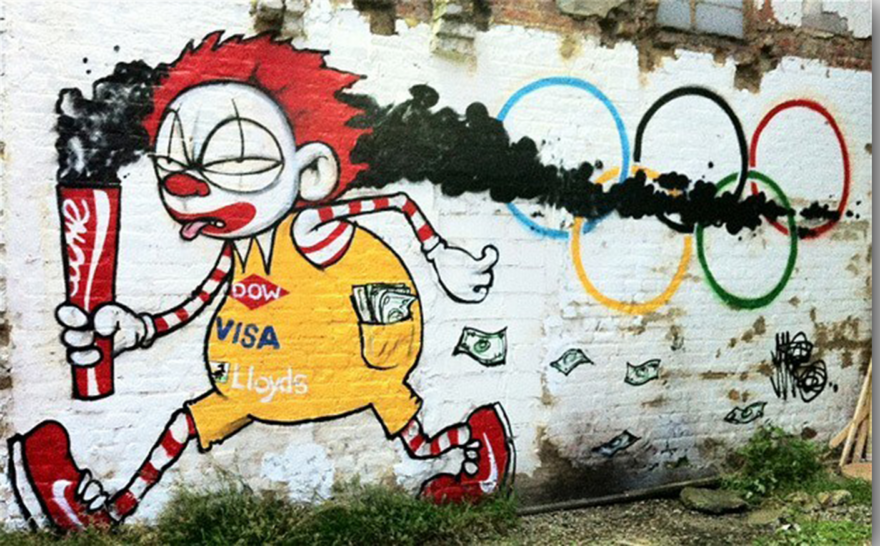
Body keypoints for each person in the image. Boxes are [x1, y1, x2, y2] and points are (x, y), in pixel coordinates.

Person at [9, 33, 511, 532]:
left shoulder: (307, 227)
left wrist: (438, 252)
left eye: (230, 158)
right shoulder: (240, 248)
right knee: (184, 425)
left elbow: (396, 202)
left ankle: (480, 440)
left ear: (310, 172)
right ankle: (110, 513)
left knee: (419, 444)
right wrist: (140, 329)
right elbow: (198, 301)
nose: (185, 184)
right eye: (173, 164)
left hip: (364, 364)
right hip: (258, 383)